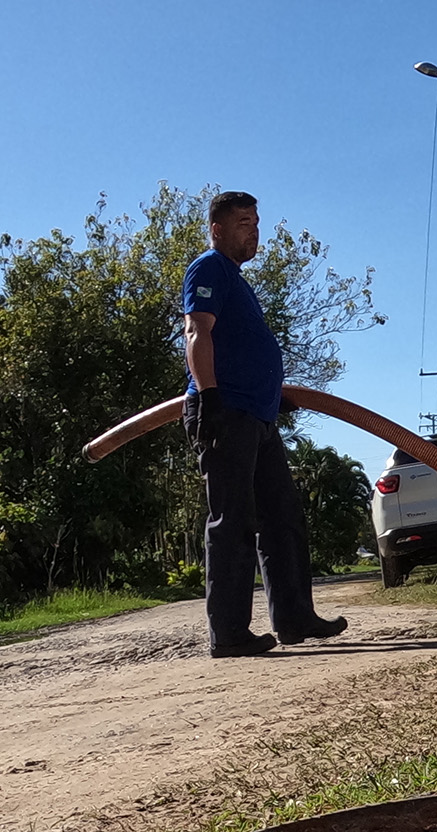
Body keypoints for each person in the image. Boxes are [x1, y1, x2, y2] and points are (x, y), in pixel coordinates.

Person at [180, 191, 346, 658]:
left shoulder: (236, 280)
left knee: (282, 516)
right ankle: (228, 633)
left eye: (256, 223)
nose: (254, 232)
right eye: (243, 223)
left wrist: (273, 396)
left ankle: (294, 618)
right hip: (225, 412)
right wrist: (209, 397)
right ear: (217, 229)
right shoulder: (208, 267)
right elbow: (197, 331)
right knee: (232, 520)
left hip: (258, 416)